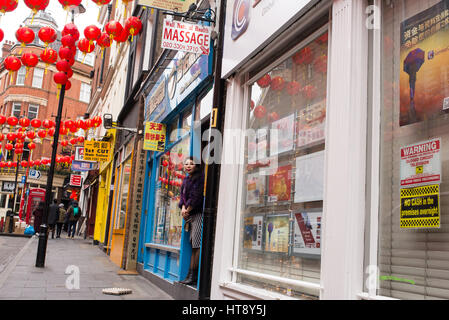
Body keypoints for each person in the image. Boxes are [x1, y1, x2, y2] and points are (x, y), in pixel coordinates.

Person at [178, 156, 204, 286]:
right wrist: (183, 207)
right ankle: (189, 274)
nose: (188, 166)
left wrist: (187, 209)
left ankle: (194, 275)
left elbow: (197, 196)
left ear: (197, 166)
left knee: (196, 245)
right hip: (189, 214)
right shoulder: (185, 180)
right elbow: (182, 196)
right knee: (192, 243)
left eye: (191, 164)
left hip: (197, 213)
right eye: (186, 164)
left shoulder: (200, 178)